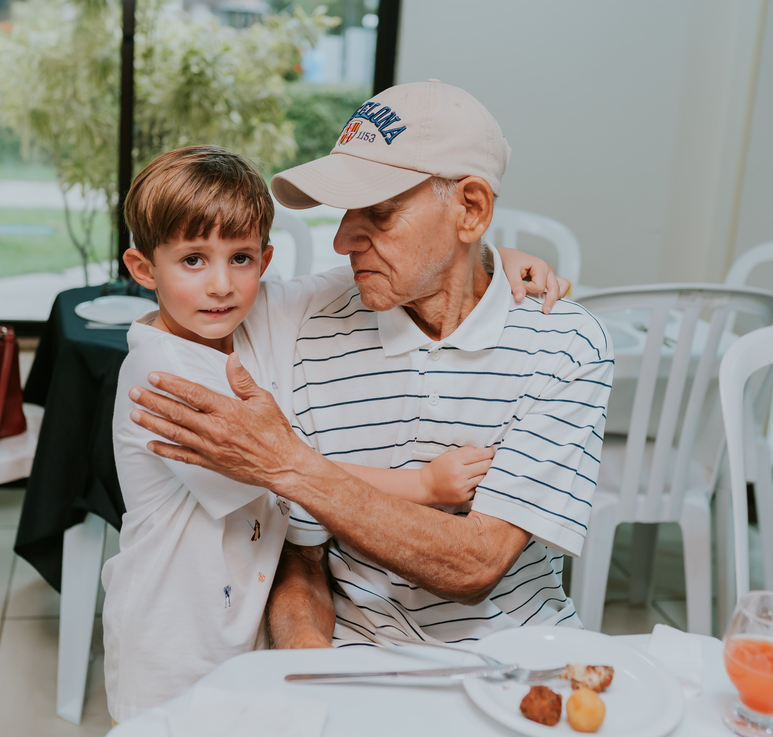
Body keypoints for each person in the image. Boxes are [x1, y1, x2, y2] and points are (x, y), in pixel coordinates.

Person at [126, 81, 614, 650]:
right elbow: (302, 556)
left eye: (378, 214)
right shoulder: (311, 323)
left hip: (517, 656)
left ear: (471, 209)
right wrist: (313, 670)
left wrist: (289, 465)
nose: (341, 241)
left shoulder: (566, 345)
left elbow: (476, 565)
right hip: (354, 660)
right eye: (343, 212)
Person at [101, 145, 566, 720]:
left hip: (245, 626)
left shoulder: (258, 311)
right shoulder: (162, 376)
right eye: (193, 260)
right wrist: (422, 485)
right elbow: (271, 468)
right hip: (171, 637)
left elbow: (407, 269)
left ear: (265, 262)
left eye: (240, 258)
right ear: (144, 268)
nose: (221, 285)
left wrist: (488, 258)